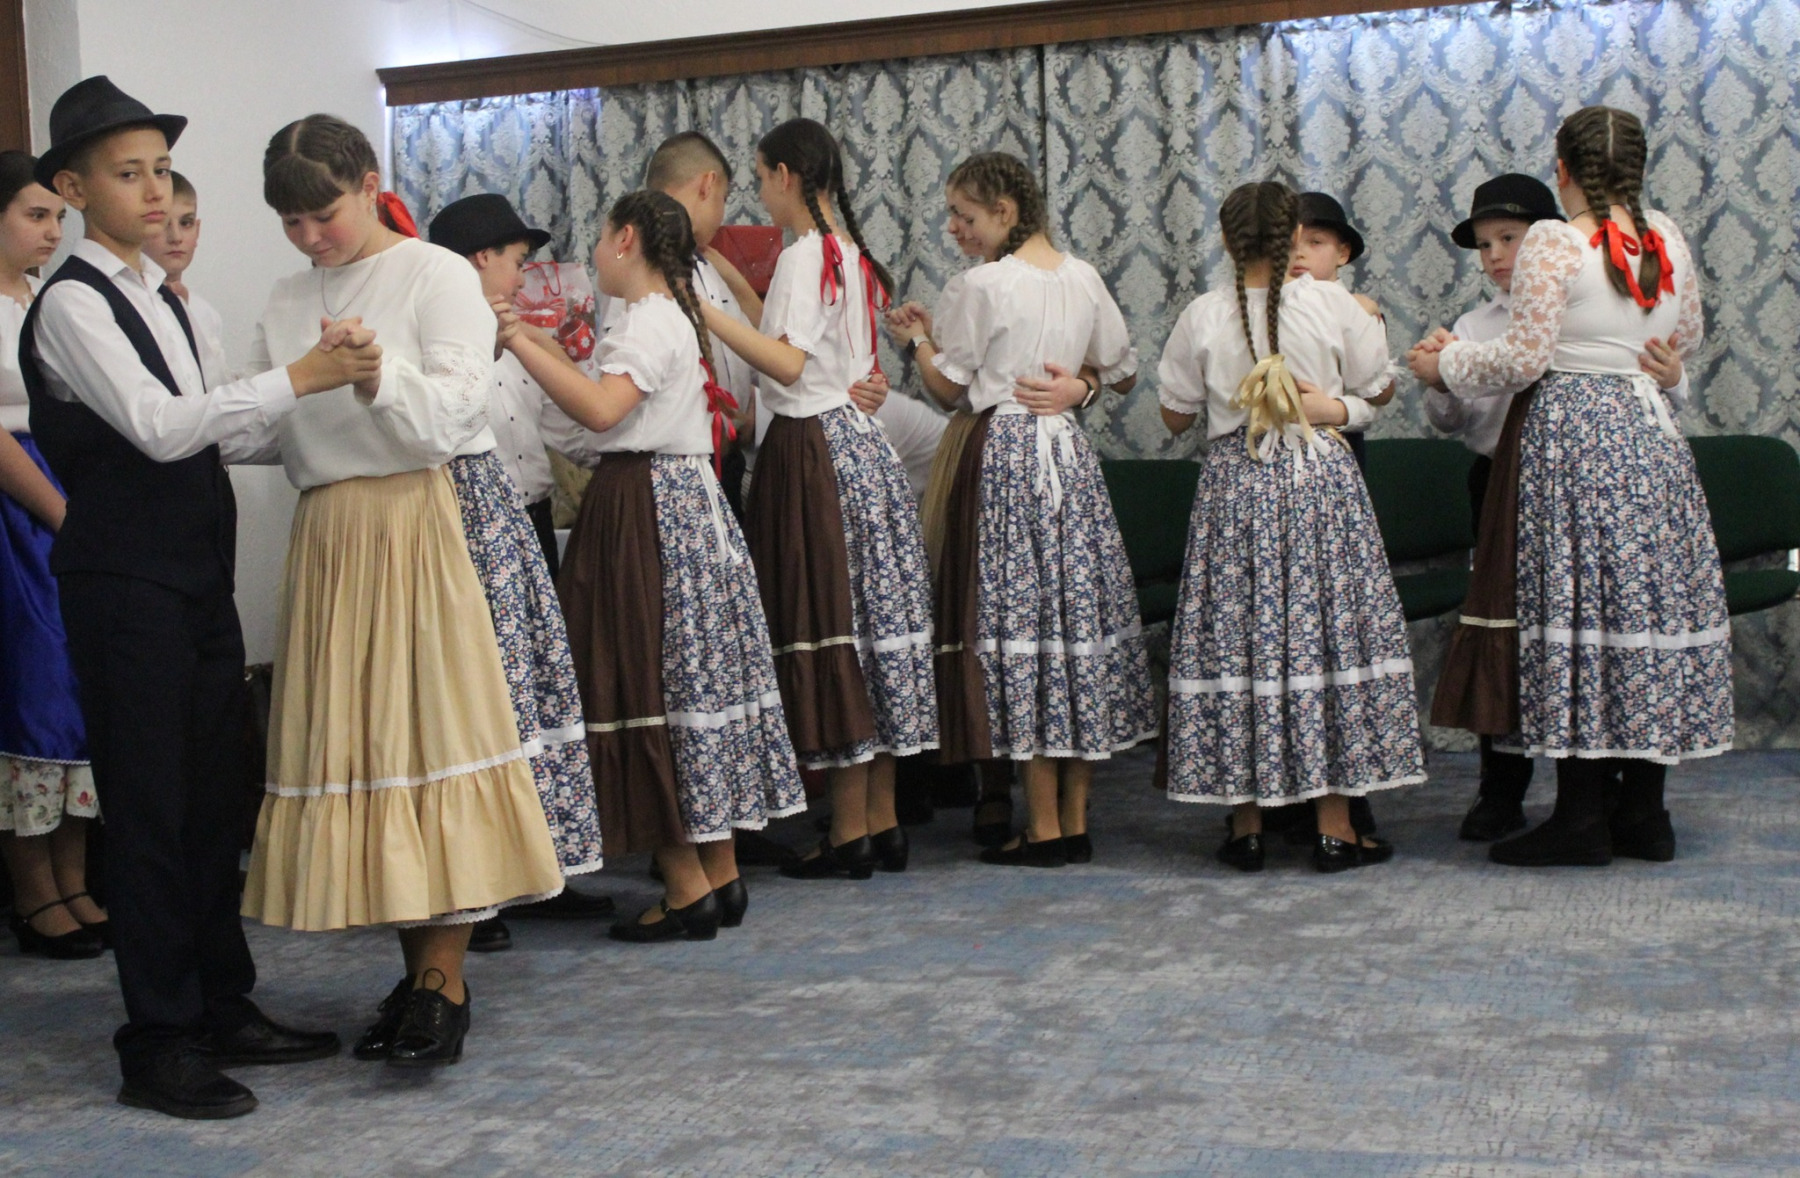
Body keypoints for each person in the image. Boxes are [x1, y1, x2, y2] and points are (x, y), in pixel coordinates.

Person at [19, 76, 365, 1119]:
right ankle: (158, 1039)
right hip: (123, 583)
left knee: (215, 801)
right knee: (151, 811)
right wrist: (300, 376)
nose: (155, 191)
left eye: (163, 170)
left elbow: (231, 429)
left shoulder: (179, 302)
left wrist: (351, 407)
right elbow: (162, 428)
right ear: (74, 189)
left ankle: (222, 1002)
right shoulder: (73, 302)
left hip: (195, 576)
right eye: (129, 174)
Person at [240, 113, 569, 1072]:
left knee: (433, 742)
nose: (311, 237)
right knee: (370, 751)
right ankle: (418, 974)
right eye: (292, 222)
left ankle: (442, 982)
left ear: (368, 183)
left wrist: (378, 374)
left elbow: (454, 417)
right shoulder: (285, 294)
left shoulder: (433, 274)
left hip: (416, 519)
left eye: (326, 214)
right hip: (329, 532)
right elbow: (270, 427)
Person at [1409, 106, 1730, 867]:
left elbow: (1523, 357)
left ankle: (1582, 818)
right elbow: (1684, 339)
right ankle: (1645, 815)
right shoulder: (1666, 235)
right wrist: (1644, 358)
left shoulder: (1557, 239)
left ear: (1563, 170)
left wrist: (1441, 365)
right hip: (1649, 438)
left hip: (1577, 440)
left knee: (1577, 615)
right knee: (1641, 612)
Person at [509, 190, 805, 939]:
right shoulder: (671, 313)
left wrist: (516, 341)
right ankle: (720, 873)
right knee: (686, 683)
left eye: (602, 234)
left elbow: (601, 412)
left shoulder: (645, 319)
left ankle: (684, 886)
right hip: (683, 502)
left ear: (625, 239)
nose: (596, 249)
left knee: (636, 682)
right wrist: (539, 344)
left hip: (644, 506)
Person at [886, 150, 1155, 867]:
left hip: (1005, 454)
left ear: (1004, 212)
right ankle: (1072, 821)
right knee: (1071, 625)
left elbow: (949, 389)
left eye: (964, 215)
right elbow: (1121, 370)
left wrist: (918, 341)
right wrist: (1080, 390)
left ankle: (1041, 827)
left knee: (1021, 629)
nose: (954, 228)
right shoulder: (1082, 276)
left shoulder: (981, 283)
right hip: (1066, 454)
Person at [1158, 180, 1424, 873]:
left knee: (1239, 642)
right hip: (1318, 481)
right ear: (1290, 238)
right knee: (1324, 640)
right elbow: (1379, 388)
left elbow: (1174, 414)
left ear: (1226, 240)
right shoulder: (1332, 302)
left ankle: (1247, 826)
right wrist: (1335, 400)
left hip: (1235, 484)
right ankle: (1336, 828)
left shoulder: (1203, 313)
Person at [699, 117, 938, 879]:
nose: (760, 193)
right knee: (867, 630)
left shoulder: (807, 254)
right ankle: (880, 820)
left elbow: (788, 363)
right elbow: (796, 335)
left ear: (785, 176)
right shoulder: (846, 250)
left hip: (816, 452)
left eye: (761, 178)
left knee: (833, 629)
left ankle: (850, 832)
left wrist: (701, 311)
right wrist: (723, 276)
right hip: (861, 449)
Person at [426, 193, 614, 953]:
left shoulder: (520, 338)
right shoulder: (440, 341)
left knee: (533, 695)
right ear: (479, 260)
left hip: (529, 525)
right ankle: (480, 888)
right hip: (467, 531)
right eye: (514, 259)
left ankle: (540, 868)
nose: (523, 273)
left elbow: (571, 427)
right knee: (482, 702)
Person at [0, 149, 104, 960]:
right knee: (31, 688)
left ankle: (75, 879)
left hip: (67, 486)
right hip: (19, 507)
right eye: (36, 215)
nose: (51, 231)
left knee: (78, 686)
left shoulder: (44, 298)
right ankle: (33, 890)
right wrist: (64, 515)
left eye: (59, 217)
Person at [140, 171, 228, 382]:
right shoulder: (130, 306)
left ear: (197, 230)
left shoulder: (206, 314)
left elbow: (220, 388)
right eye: (162, 224)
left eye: (186, 223)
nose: (176, 237)